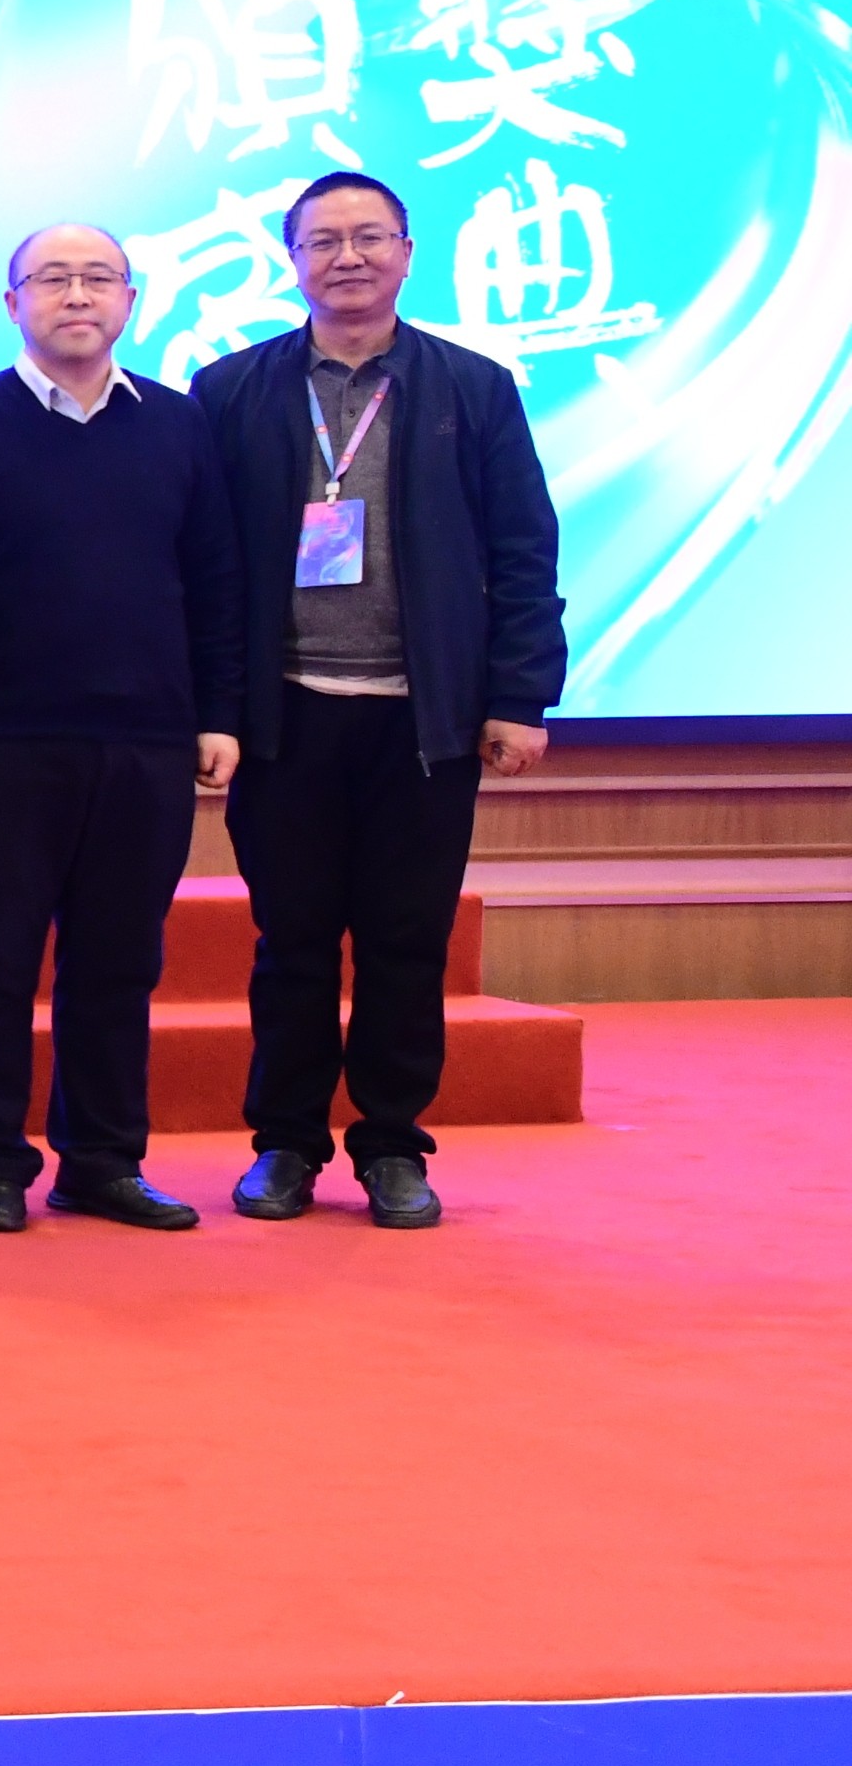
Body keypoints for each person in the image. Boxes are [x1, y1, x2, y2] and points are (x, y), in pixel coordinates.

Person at [192, 167, 566, 1228]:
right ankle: (286, 1144)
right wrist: (213, 706)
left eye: (369, 237)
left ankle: (394, 1144)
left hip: (422, 718)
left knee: (407, 941)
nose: (347, 257)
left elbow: (524, 548)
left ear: (407, 252)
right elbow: (206, 567)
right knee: (293, 942)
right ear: (292, 260)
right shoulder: (232, 390)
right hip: (286, 715)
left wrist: (521, 694)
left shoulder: (473, 387)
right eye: (324, 240)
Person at [0, 221, 247, 1236]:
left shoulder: (178, 425)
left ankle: (102, 1159)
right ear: (13, 304)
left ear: (132, 299)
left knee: (119, 962)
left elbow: (217, 583)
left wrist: (219, 713)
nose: (78, 295)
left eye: (100, 278)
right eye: (53, 278)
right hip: (2, 742)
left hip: (147, 740)